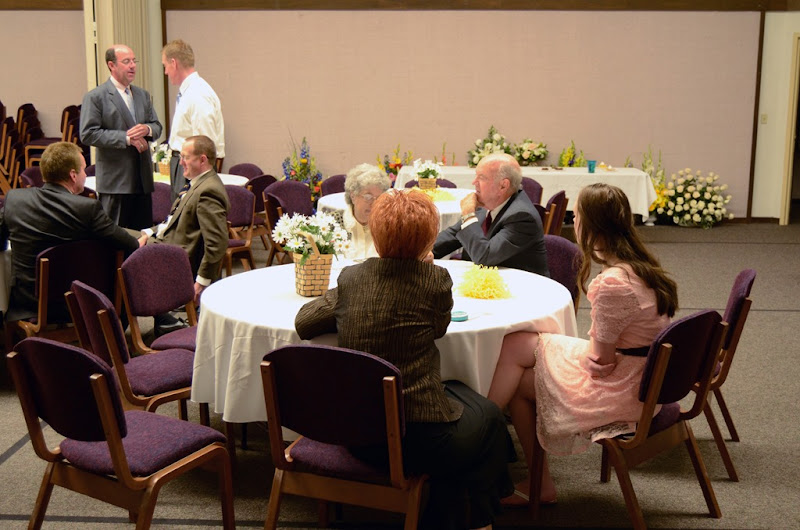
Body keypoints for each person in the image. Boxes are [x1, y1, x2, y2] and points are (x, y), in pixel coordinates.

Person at [295, 190, 515, 530]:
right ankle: (476, 516)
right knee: (490, 419)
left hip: (357, 433)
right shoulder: (435, 280)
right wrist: (425, 270)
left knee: (462, 398)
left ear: (376, 235)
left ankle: (464, 510)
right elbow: (439, 327)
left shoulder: (351, 278)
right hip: (420, 439)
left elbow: (304, 323)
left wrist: (348, 300)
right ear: (428, 240)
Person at [486, 183, 678, 505]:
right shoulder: (643, 266)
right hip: (640, 371)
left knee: (519, 382)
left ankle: (510, 461)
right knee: (516, 343)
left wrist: (589, 354)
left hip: (625, 388)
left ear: (591, 226)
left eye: (577, 216)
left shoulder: (613, 283)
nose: (574, 221)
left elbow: (601, 362)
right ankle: (487, 427)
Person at [0, 142, 143, 323]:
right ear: (73, 175)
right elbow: (129, 244)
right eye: (84, 170)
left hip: (27, 302)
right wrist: (141, 239)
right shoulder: (87, 208)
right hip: (77, 302)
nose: (85, 175)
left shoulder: (15, 199)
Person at [80, 44, 162, 229]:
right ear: (111, 65)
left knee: (143, 236)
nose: (132, 66)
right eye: (126, 61)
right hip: (116, 182)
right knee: (117, 237)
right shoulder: (96, 97)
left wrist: (147, 130)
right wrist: (126, 138)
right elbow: (88, 134)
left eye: (134, 61)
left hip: (142, 180)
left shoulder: (142, 95)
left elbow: (157, 126)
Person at [141, 135, 229, 307]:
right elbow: (173, 220)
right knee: (115, 236)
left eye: (185, 157)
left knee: (115, 243)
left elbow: (217, 243)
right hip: (162, 240)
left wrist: (202, 282)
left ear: (202, 160)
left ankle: (127, 314)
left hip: (172, 255)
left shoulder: (209, 191)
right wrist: (149, 232)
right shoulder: (197, 183)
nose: (180, 162)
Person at [432, 153, 549, 276]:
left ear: (503, 185)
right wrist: (422, 251)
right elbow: (452, 235)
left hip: (518, 284)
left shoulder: (522, 217)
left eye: (481, 177)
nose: (474, 182)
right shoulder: (489, 203)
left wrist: (468, 215)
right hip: (486, 279)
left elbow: (484, 257)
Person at [161, 39, 225, 202]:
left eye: (165, 66)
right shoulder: (189, 92)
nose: (166, 72)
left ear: (174, 63)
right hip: (184, 165)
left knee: (189, 215)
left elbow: (205, 144)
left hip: (191, 168)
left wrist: (197, 180)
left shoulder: (197, 94)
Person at [340, 163, 391, 259]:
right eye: (368, 197)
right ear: (353, 196)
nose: (374, 203)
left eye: (378, 198)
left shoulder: (388, 226)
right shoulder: (333, 225)